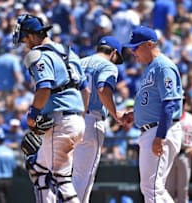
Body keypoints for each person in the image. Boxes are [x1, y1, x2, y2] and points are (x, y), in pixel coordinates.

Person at [13, 14, 88, 203]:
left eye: (23, 39)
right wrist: (80, 116)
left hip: (59, 120)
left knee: (60, 179)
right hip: (76, 120)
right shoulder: (70, 53)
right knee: (37, 169)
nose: (24, 43)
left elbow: (44, 87)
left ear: (30, 36)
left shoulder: (39, 55)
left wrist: (32, 114)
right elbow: (85, 89)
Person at [123, 26, 183, 203]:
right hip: (152, 129)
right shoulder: (151, 67)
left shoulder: (164, 67)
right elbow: (155, 100)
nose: (133, 52)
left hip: (160, 130)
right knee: (154, 187)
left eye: (136, 47)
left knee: (151, 188)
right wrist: (136, 113)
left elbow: (169, 103)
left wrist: (160, 136)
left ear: (149, 44)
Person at [72, 35, 124, 203]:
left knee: (65, 175)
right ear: (114, 52)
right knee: (83, 177)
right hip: (90, 121)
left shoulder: (79, 62)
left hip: (69, 120)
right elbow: (103, 90)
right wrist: (116, 114)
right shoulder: (108, 65)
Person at [166, 98, 192, 203]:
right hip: (170, 154)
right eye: (177, 102)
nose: (179, 104)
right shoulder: (167, 117)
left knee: (183, 190)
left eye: (182, 102)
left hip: (184, 154)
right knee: (167, 189)